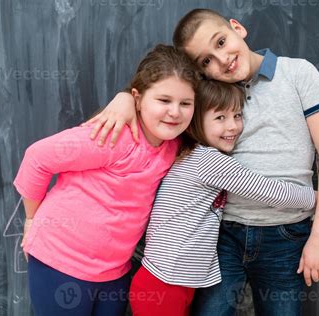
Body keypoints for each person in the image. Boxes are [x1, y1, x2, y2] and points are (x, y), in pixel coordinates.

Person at [83, 8, 319, 316]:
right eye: (206, 61)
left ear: (237, 28)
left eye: (221, 42)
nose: (222, 60)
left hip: (286, 235)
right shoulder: (205, 95)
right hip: (222, 236)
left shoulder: (297, 73)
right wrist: (126, 97)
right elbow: (164, 91)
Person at [13, 44, 198, 316]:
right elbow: (37, 157)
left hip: (113, 272)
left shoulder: (173, 147)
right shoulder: (113, 136)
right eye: (164, 100)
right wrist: (31, 218)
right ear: (137, 98)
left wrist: (123, 97)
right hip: (60, 262)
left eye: (185, 104)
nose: (175, 112)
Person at [129, 79, 317, 316]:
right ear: (195, 121)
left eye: (237, 115)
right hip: (163, 285)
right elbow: (268, 190)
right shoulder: (208, 160)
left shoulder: (191, 153)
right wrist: (317, 198)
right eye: (220, 118)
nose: (233, 127)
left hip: (176, 281)